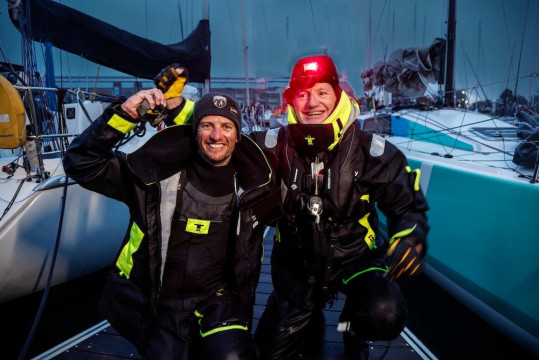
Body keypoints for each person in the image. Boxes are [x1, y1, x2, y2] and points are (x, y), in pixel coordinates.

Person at [63, 67, 281, 359]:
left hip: (219, 300)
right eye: (207, 125)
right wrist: (124, 116)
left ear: (238, 135)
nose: (217, 135)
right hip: (161, 303)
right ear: (194, 131)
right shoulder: (151, 176)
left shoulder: (255, 186)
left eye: (227, 126)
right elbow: (81, 162)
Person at [250, 54, 429, 360]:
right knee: (269, 351)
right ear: (292, 100)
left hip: (356, 261)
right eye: (303, 94)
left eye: (322, 92)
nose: (312, 103)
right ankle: (305, 315)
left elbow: (406, 205)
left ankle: (349, 328)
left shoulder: (371, 151)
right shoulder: (269, 146)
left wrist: (410, 238)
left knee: (383, 313)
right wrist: (170, 111)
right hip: (297, 269)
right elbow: (216, 143)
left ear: (338, 96)